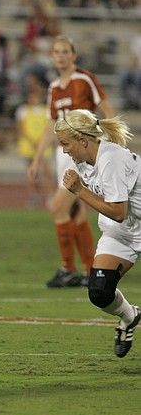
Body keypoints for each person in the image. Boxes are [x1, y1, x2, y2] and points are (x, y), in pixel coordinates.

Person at [27, 35, 114, 288]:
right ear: (53, 57)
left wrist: (110, 142)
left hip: (82, 154)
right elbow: (50, 125)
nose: (61, 55)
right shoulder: (54, 87)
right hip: (62, 154)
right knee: (75, 212)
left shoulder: (84, 79)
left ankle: (67, 269)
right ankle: (89, 270)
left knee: (58, 207)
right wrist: (36, 158)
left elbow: (106, 110)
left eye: (66, 51)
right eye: (57, 52)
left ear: (73, 55)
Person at [57, 109, 140, 357]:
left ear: (83, 140)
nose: (64, 150)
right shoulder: (81, 160)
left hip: (122, 219)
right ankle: (130, 316)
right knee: (100, 291)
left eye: (66, 143)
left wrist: (79, 191)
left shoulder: (110, 158)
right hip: (121, 231)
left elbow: (117, 211)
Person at [16, 74, 54, 207]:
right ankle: (33, 196)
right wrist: (32, 140)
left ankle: (50, 196)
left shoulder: (46, 110)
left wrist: (42, 140)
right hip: (28, 145)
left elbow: (49, 127)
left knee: (46, 172)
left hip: (42, 144)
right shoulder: (23, 110)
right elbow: (21, 129)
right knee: (31, 172)